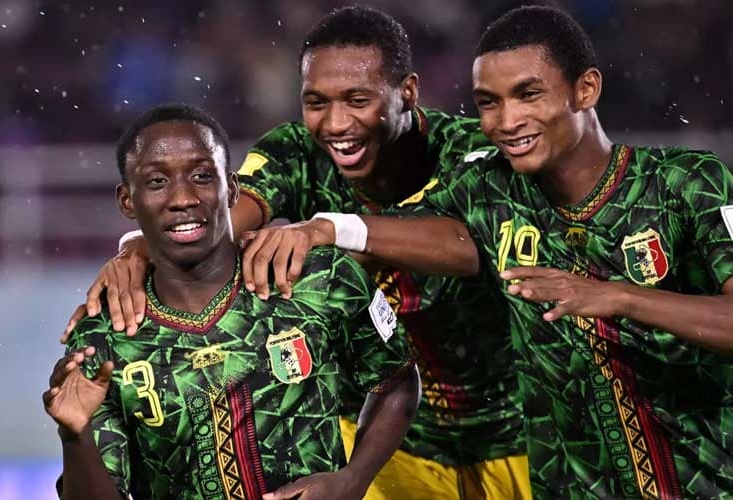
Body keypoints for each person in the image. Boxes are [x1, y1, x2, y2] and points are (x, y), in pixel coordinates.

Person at [253, 5, 733, 498]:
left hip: (708, 480)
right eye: (488, 103)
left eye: (528, 94)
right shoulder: (489, 190)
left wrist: (619, 296)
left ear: (585, 89)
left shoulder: (686, 181)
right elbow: (436, 238)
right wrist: (327, 230)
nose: (508, 120)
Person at [64, 6, 530, 500]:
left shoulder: (471, 153)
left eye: (357, 100)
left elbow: (467, 247)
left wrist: (329, 229)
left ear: (407, 91)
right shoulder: (295, 152)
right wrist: (146, 247)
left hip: (512, 433)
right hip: (388, 440)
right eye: (316, 102)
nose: (336, 123)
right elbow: (223, 214)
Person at [44, 103, 420, 500]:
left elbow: (396, 380)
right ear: (127, 201)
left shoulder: (314, 276)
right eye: (157, 182)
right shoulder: (103, 336)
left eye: (202, 176)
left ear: (233, 189)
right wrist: (75, 435)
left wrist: (353, 479)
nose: (183, 198)